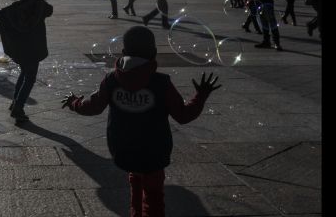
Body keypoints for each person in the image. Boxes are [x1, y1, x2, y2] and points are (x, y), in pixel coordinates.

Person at [61, 26, 221, 217]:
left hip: (122, 149)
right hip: (154, 151)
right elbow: (183, 116)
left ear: (124, 53)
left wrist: (73, 102)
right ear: (154, 53)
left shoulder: (112, 79)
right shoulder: (162, 82)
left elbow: (92, 107)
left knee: (135, 184)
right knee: (153, 198)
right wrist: (201, 95)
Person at [0, 0, 53, 123]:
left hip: (20, 49)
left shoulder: (14, 9)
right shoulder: (38, 5)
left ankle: (15, 102)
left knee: (25, 73)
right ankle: (18, 107)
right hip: (34, 48)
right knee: (30, 78)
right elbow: (50, 10)